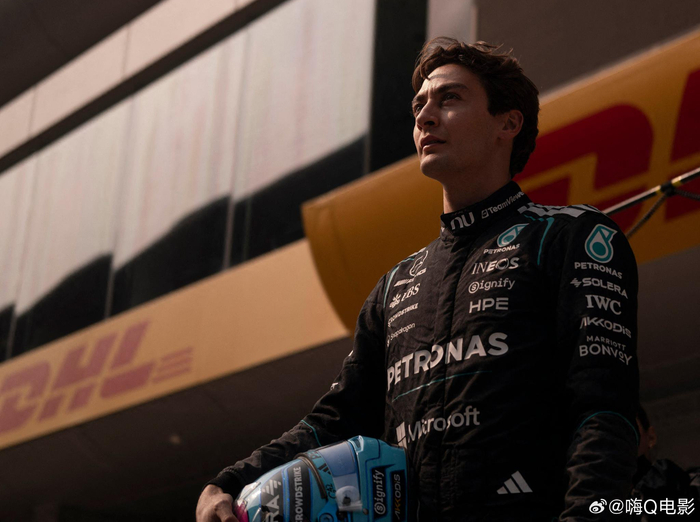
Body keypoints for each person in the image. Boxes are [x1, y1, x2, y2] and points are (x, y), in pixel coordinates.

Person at [196, 39, 639, 521]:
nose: (426, 117)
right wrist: (229, 481)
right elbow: (335, 419)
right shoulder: (394, 286)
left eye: (450, 99)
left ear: (508, 124)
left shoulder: (573, 237)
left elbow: (603, 411)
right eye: (419, 106)